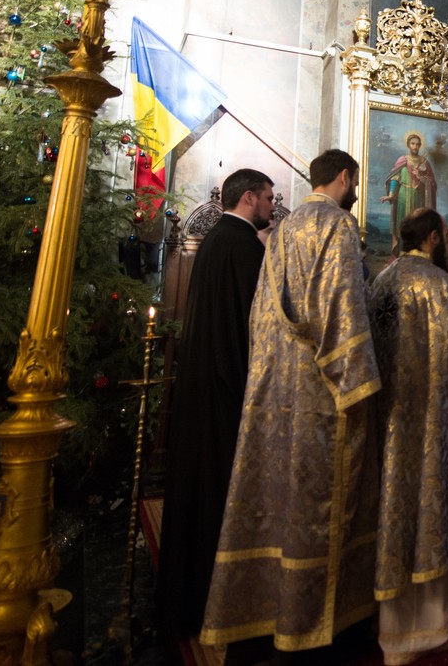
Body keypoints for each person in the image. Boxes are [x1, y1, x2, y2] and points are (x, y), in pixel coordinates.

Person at [201, 149, 381, 656]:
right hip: (323, 393)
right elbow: (341, 309)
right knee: (320, 509)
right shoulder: (338, 226)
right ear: (346, 178)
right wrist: (360, 384)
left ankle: (268, 613)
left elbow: (263, 314)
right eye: (355, 182)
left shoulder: (282, 230)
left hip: (279, 386)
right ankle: (314, 627)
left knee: (281, 502)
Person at [155, 168, 274, 640]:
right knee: (219, 492)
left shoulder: (216, 241)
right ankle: (216, 596)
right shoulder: (244, 246)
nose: (271, 204)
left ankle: (185, 598)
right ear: (249, 198)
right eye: (268, 197)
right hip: (229, 384)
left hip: (203, 379)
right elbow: (254, 322)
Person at [368, 208, 448, 665]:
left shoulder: (383, 282)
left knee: (391, 513)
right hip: (428, 429)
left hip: (387, 424)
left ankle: (392, 628)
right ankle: (434, 625)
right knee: (427, 512)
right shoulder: (438, 286)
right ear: (435, 239)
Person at [382, 132, 438, 258]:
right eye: (413, 144)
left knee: (418, 226)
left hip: (419, 197)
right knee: (403, 225)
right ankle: (401, 255)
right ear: (408, 145)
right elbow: (395, 178)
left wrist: (421, 177)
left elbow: (432, 183)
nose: (415, 146)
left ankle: (418, 256)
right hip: (403, 196)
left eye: (418, 144)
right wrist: (391, 195)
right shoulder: (403, 160)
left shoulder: (425, 162)